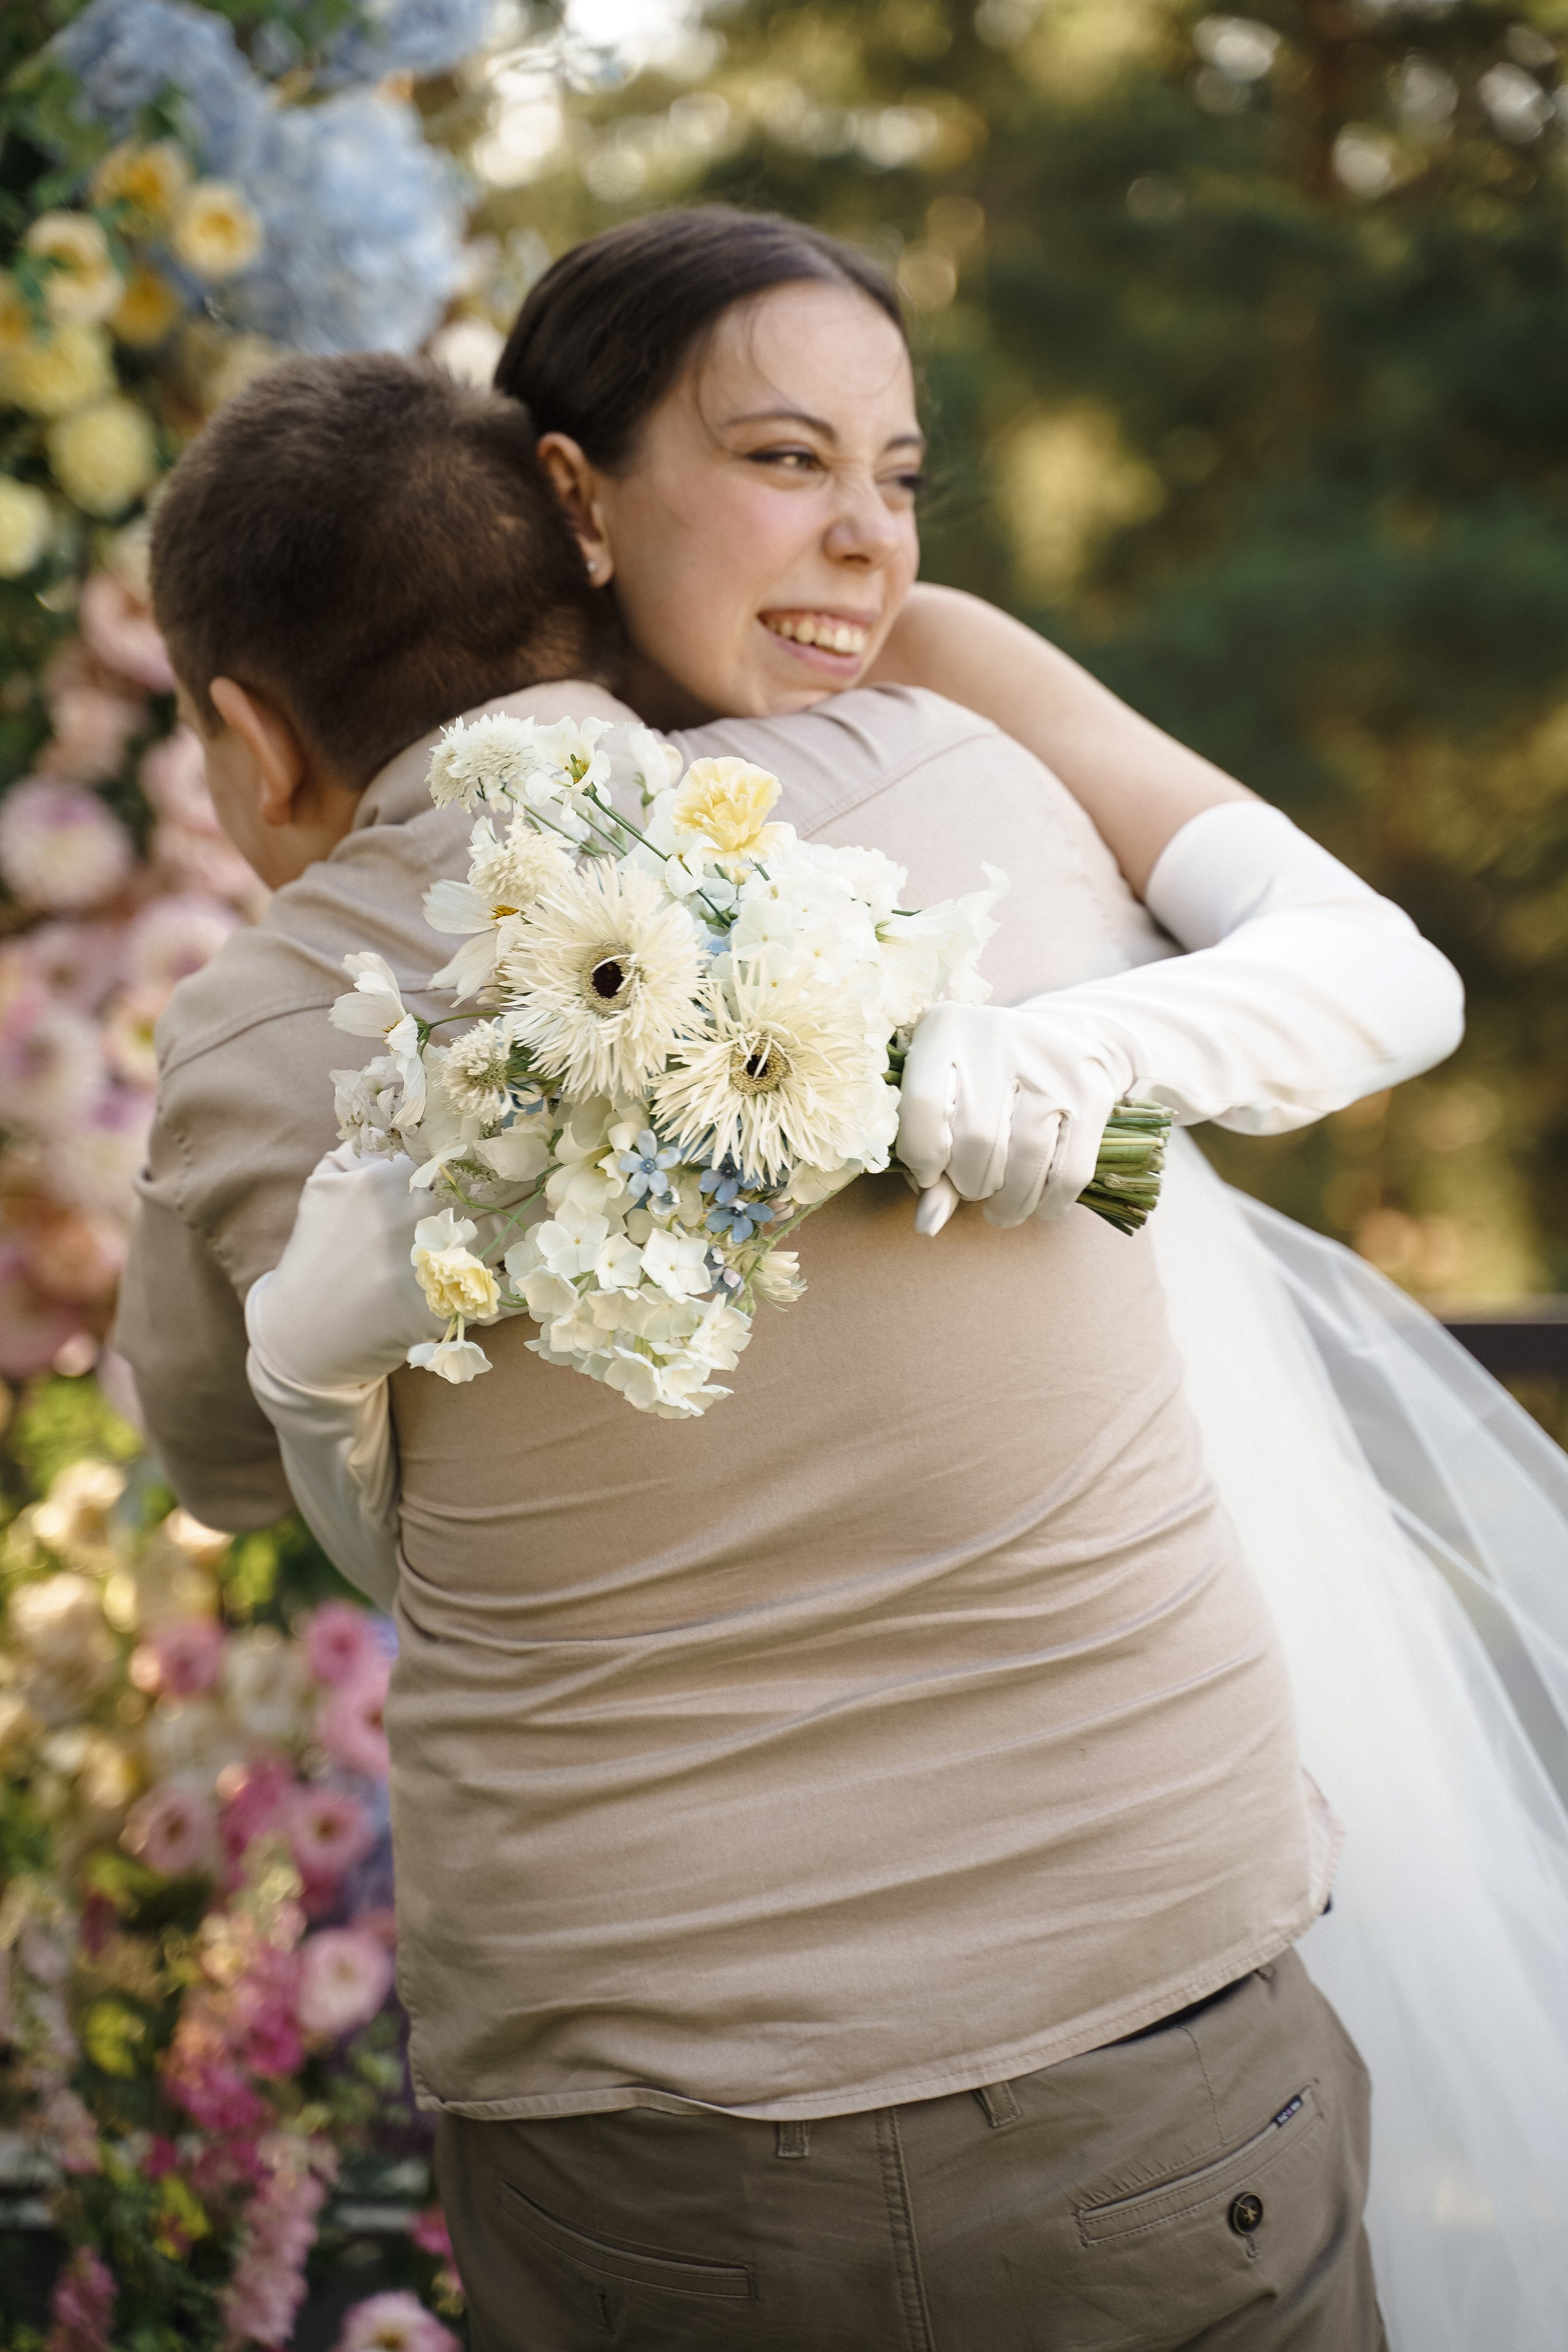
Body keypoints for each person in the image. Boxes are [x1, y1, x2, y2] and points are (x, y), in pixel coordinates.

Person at [129, 340, 1454, 2350]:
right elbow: (1332, 977)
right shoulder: (958, 779)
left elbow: (258, 1485)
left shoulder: (241, 1042)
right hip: (1154, 2056)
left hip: (649, 2135)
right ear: (588, 571)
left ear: (248, 730)